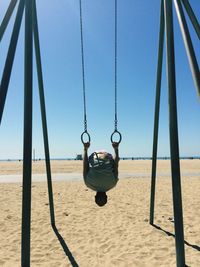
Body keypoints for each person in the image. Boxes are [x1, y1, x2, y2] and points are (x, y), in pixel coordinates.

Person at [83, 142, 119, 207]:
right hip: (94, 156)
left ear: (106, 196)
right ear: (95, 196)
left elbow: (116, 164)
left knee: (110, 163)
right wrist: (85, 149)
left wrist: (116, 149)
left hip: (106, 155)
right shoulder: (88, 184)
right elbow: (85, 165)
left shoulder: (113, 184)